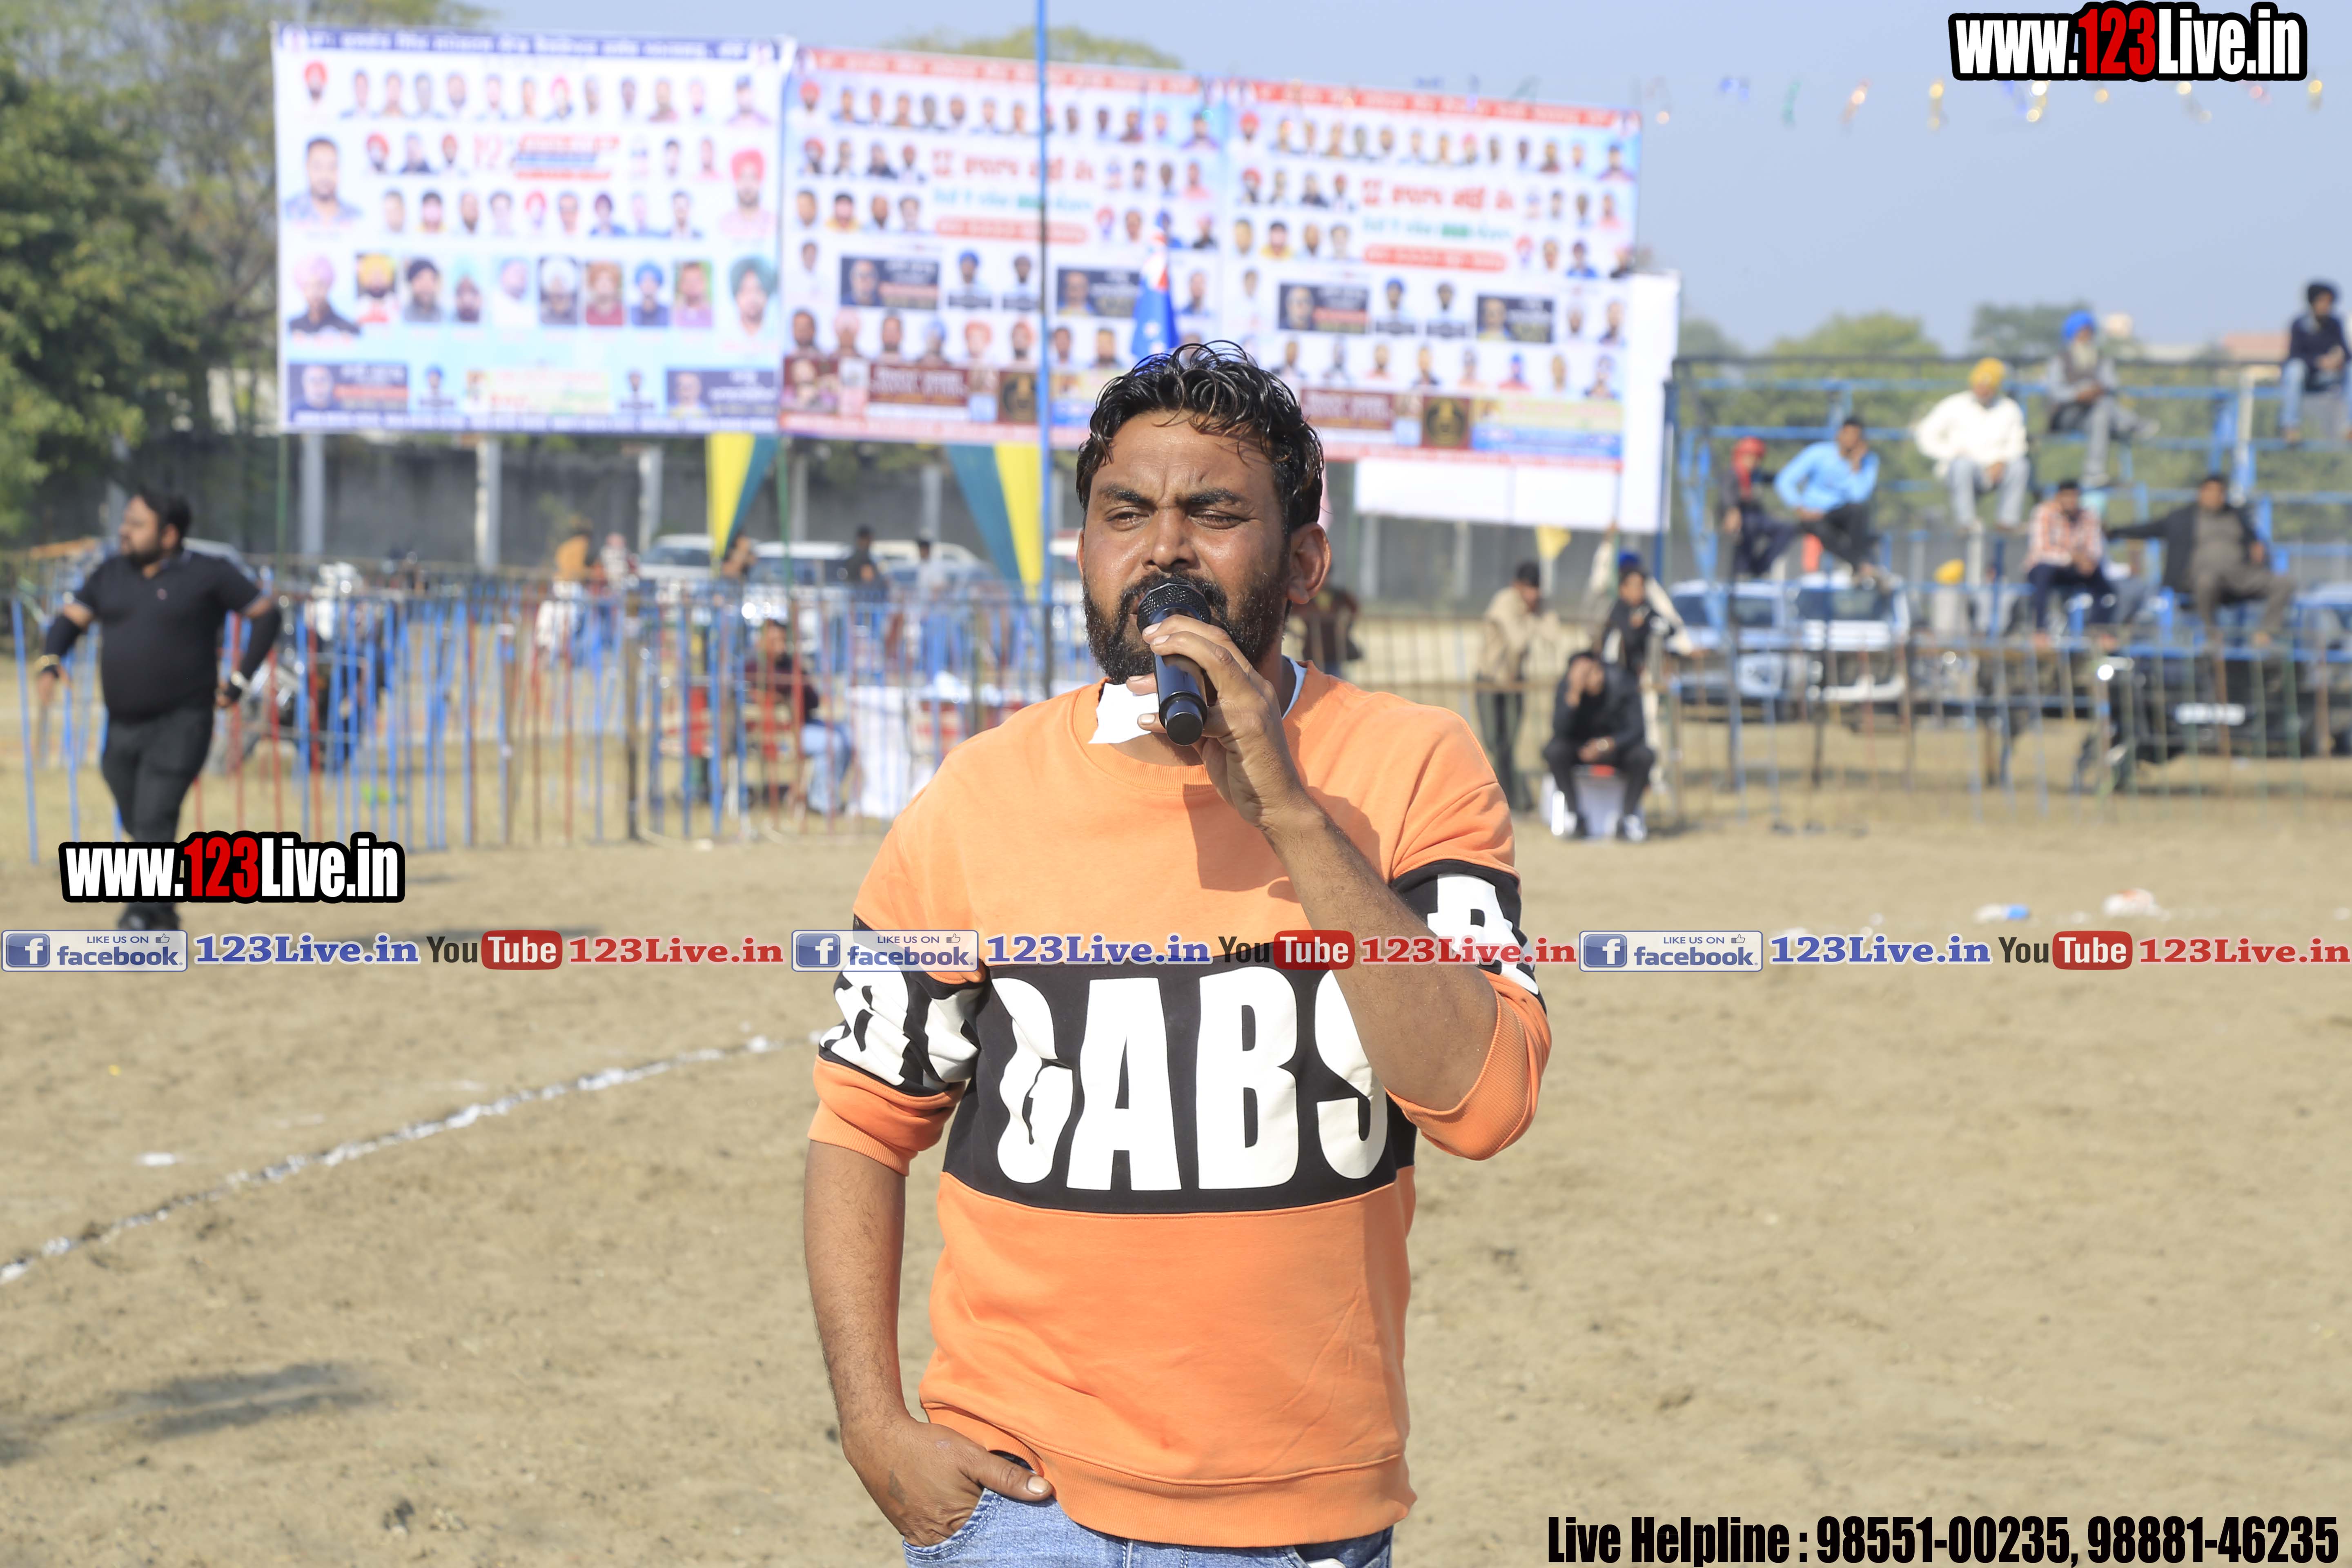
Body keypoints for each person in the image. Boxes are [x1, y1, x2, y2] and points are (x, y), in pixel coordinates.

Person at [804, 342, 1548, 1564]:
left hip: (1291, 1522)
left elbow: (1486, 1101)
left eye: (1214, 511)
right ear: (1084, 549)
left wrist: (1293, 815)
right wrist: (873, 1426)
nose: (1164, 548)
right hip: (1015, 1509)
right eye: (1125, 512)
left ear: (1301, 562)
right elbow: (860, 1125)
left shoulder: (1413, 767)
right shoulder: (975, 795)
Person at [34, 490, 282, 930]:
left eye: (136, 523)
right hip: (123, 724)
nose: (124, 531)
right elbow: (72, 619)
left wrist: (240, 680)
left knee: (154, 815)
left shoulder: (208, 573)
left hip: (183, 721)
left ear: (169, 534)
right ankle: (164, 909)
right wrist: (51, 659)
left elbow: (266, 614)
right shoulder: (111, 573)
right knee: (138, 814)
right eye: (125, 521)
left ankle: (141, 913)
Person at [2105, 473, 2294, 641]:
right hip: (2200, 578)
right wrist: (2114, 532)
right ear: (2201, 493)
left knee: (2284, 583)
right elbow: (2148, 529)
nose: (2214, 497)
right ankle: (2212, 633)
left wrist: (2257, 547)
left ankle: (2266, 633)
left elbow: (2255, 541)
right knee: (2207, 581)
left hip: (2240, 575)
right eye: (2209, 492)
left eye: (2219, 492)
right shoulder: (2182, 519)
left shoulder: (2237, 517)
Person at [1915, 358, 2030, 566]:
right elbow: (1925, 435)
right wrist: (1953, 453)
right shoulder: (1954, 405)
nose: (1983, 390)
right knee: (1962, 466)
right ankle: (1965, 523)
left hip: (1997, 470)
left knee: (2021, 466)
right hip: (1962, 470)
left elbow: (2018, 444)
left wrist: (2002, 461)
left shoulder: (2009, 409)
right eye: (1979, 385)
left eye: (1988, 387)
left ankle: (2008, 521)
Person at [1542, 650, 1651, 842]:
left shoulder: (1622, 682)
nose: (1588, 678)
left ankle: (1628, 818)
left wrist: (1607, 744)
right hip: (1580, 749)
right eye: (1580, 674)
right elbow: (1559, 730)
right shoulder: (1568, 687)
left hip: (1616, 748)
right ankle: (1575, 816)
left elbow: (1637, 729)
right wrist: (1574, 696)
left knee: (1644, 755)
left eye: (1591, 672)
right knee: (1555, 751)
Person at [749, 619, 854, 813]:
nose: (781, 647)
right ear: (762, 642)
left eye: (783, 641)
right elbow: (755, 696)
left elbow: (814, 701)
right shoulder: (752, 667)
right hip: (781, 734)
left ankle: (826, 794)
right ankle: (821, 801)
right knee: (833, 743)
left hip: (804, 723)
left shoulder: (792, 665)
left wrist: (798, 687)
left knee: (849, 736)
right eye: (774, 641)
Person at [1475, 561, 1555, 813]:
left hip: (1514, 682)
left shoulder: (1536, 605)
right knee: (1494, 743)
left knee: (1509, 744)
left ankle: (1513, 800)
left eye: (1536, 589)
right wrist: (1532, 618)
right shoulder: (1505, 602)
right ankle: (1510, 797)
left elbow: (1553, 635)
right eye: (1529, 588)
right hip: (1490, 681)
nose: (1533, 595)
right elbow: (1519, 641)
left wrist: (1537, 615)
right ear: (1517, 585)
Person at [2045, 310, 2155, 488]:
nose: (2086, 337)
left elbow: (2112, 383)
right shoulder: (2060, 360)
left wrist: (2096, 390)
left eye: (2088, 332)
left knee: (2101, 412)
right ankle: (2132, 423)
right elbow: (2055, 391)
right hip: (2068, 414)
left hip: (2095, 412)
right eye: (2082, 332)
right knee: (2103, 409)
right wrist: (2077, 394)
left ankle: (2094, 473)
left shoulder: (2101, 357)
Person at [1773, 416, 1884, 581]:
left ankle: (1860, 567)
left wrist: (1856, 466)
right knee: (1822, 529)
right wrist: (1800, 508)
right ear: (1839, 435)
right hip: (1813, 514)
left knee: (1859, 511)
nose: (1851, 440)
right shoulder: (1818, 453)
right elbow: (1785, 480)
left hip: (1842, 514)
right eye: (1848, 434)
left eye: (1856, 436)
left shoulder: (1868, 461)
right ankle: (1861, 566)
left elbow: (1859, 496)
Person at [2021, 478, 2116, 632]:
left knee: (2102, 583)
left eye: (2075, 497)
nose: (2071, 501)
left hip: (2075, 569)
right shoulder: (2044, 513)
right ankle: (2040, 629)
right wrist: (2073, 558)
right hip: (2047, 568)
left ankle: (2099, 629)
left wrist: (2087, 561)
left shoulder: (2088, 516)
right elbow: (2041, 551)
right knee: (2043, 572)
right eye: (2067, 496)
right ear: (2058, 497)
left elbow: (2095, 549)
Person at [1582, 540, 1690, 673]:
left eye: (1641, 586)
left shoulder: (1646, 609)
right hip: (1615, 671)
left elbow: (1670, 627)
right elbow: (1629, 637)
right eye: (1635, 586)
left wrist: (1647, 624)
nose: (1640, 590)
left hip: (1641, 672)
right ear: (1623, 588)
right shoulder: (1616, 609)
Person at [1716, 435, 1791, 580]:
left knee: (1786, 529)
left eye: (1758, 458)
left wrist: (1790, 476)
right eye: (1751, 457)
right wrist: (1732, 511)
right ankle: (1742, 570)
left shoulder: (1755, 475)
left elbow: (1774, 478)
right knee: (1746, 529)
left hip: (1756, 516)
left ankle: (1760, 567)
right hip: (1739, 517)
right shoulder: (1733, 474)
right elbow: (1726, 494)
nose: (1755, 462)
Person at [2282, 280, 2348, 443]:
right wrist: (2318, 362)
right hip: (2305, 378)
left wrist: (2338, 359)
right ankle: (2291, 427)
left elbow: (2347, 354)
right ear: (2312, 303)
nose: (2326, 306)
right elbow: (2294, 355)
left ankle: (2349, 427)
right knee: (2294, 369)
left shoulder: (2335, 324)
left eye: (2329, 302)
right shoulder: (2299, 325)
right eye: (2322, 301)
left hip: (2328, 378)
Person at [1291, 581, 1360, 680]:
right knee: (1316, 680)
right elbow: (1293, 612)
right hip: (1313, 648)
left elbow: (1354, 610)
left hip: (1334, 648)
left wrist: (1347, 627)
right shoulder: (1307, 596)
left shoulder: (1339, 595)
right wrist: (1298, 634)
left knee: (1335, 681)